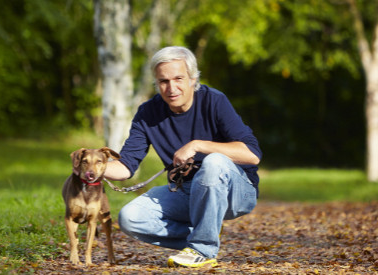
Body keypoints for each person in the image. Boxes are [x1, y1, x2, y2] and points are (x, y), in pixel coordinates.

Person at [104, 46, 262, 268]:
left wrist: (198, 145)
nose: (171, 88)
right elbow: (126, 166)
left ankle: (203, 249)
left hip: (236, 192)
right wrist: (94, 167)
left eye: (178, 78)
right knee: (130, 218)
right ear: (156, 84)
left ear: (192, 78)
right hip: (186, 191)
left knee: (214, 161)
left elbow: (252, 155)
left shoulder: (214, 101)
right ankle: (205, 230)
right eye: (163, 81)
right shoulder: (147, 113)